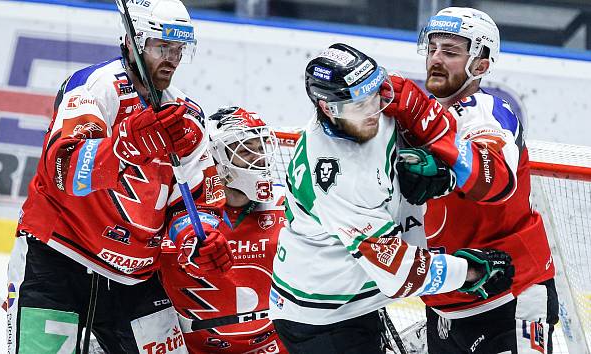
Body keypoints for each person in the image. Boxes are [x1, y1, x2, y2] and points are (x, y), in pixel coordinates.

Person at [6, 1, 234, 353]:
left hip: (134, 279)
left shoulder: (186, 113)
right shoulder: (95, 87)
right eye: (162, 47)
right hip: (58, 260)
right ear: (132, 40)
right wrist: (123, 145)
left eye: (178, 49)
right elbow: (63, 172)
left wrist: (196, 236)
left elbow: (195, 197)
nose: (171, 59)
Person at [268, 43, 515, 354]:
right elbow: (399, 273)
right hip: (322, 316)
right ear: (328, 108)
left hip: (356, 291)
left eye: (375, 96)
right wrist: (471, 273)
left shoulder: (370, 106)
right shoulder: (338, 178)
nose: (374, 110)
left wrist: (437, 169)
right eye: (360, 105)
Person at [382, 7, 559, 354]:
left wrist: (448, 174)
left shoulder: (488, 111)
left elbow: (497, 177)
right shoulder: (424, 121)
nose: (436, 58)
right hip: (446, 304)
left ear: (480, 63)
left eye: (450, 52)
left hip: (509, 297)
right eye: (432, 48)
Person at [160, 106, 289, 353]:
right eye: (246, 149)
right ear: (216, 158)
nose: (260, 156)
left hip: (277, 346)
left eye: (262, 146)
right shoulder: (179, 212)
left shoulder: (288, 204)